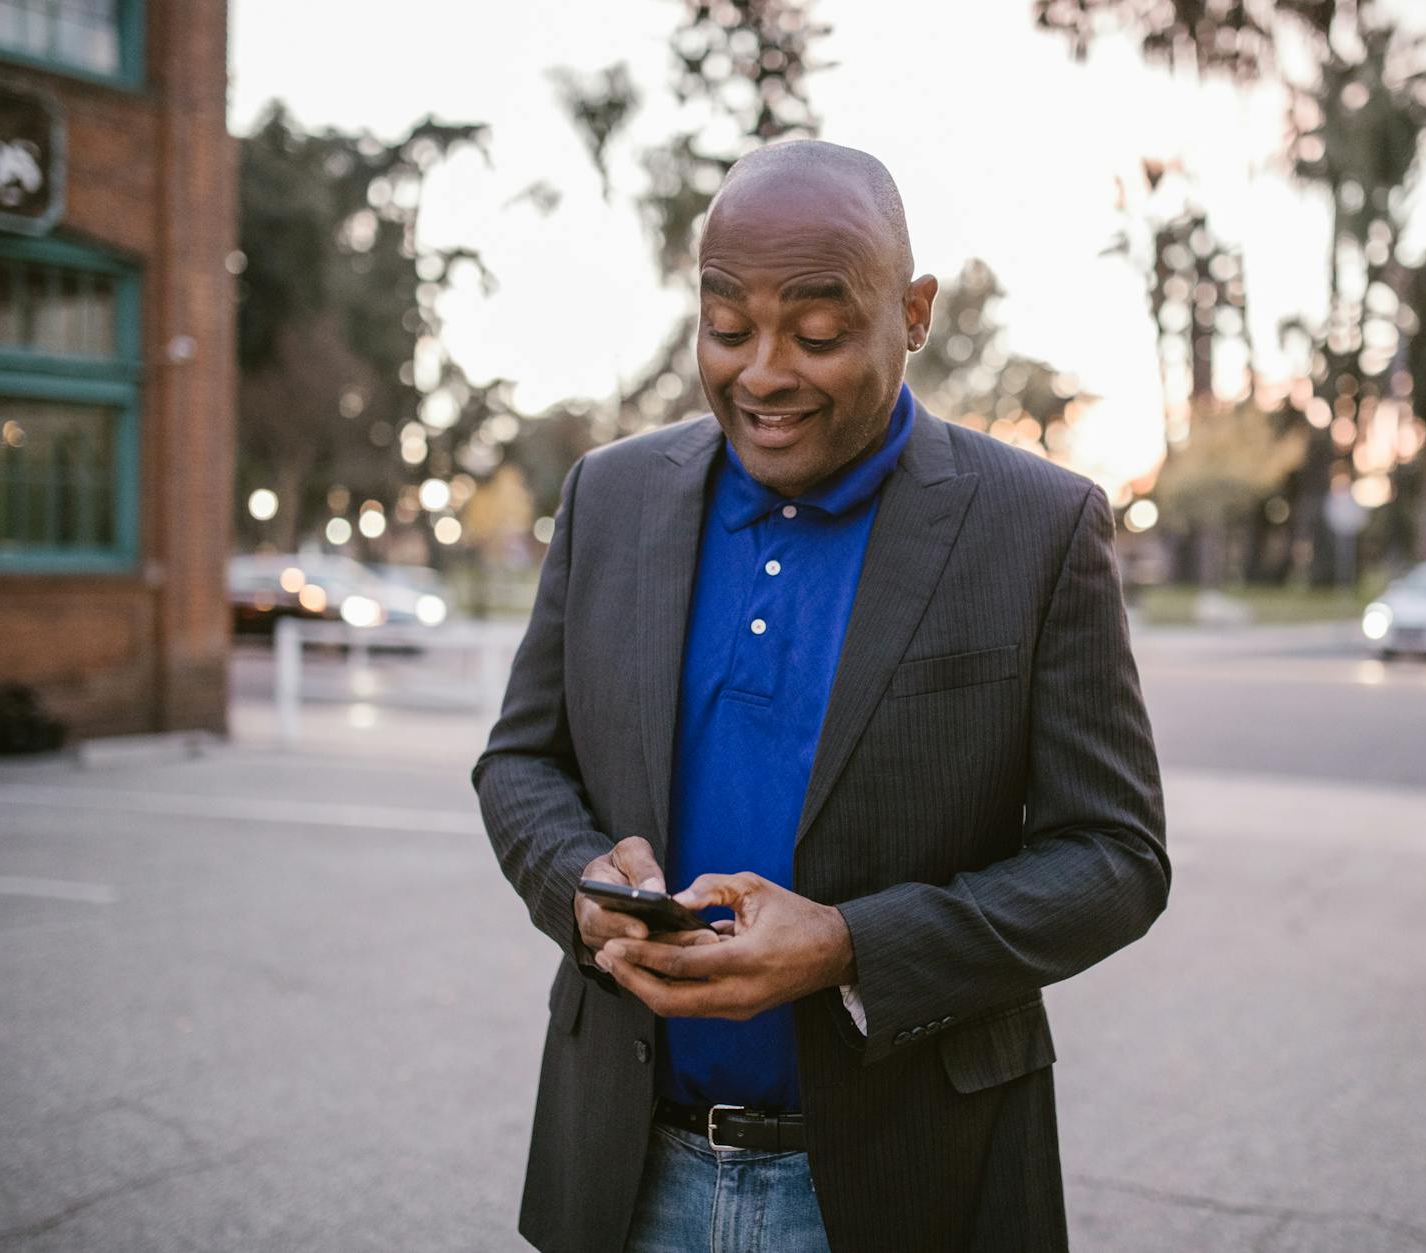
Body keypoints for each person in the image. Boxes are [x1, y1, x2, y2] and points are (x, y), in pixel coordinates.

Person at [474, 139, 1169, 1253]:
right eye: (726, 326)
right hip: (623, 1167)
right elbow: (519, 762)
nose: (760, 374)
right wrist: (580, 884)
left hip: (908, 1178)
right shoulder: (609, 498)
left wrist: (851, 943)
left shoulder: (1036, 527)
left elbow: (1114, 858)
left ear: (915, 313)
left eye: (817, 332)